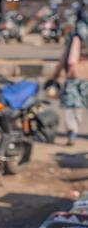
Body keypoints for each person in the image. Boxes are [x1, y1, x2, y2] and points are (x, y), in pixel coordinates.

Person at [50, 12, 88, 146]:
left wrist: (55, 75)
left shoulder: (75, 38)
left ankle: (72, 131)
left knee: (71, 106)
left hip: (74, 75)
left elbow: (69, 58)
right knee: (78, 107)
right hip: (83, 76)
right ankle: (73, 130)